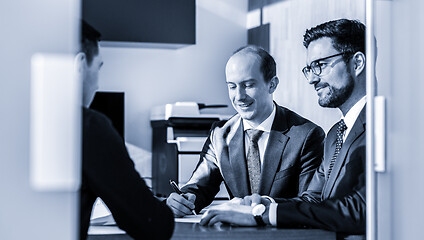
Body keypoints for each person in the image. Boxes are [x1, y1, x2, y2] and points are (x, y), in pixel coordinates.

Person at [200, 18, 368, 239]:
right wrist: (262, 204)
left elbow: (362, 209)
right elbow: (315, 200)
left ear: (357, 63)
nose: (312, 79)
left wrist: (263, 214)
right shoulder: (335, 134)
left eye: (321, 65)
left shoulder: (385, 126)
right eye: (309, 68)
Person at [167, 45, 325, 217]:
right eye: (232, 87)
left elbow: (311, 201)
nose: (239, 96)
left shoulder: (306, 135)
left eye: (248, 85)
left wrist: (262, 207)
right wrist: (183, 200)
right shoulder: (220, 134)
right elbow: (199, 186)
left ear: (272, 84)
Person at [78, 21, 174, 240]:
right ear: (80, 65)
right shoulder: (88, 127)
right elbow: (153, 225)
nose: (97, 86)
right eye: (98, 68)